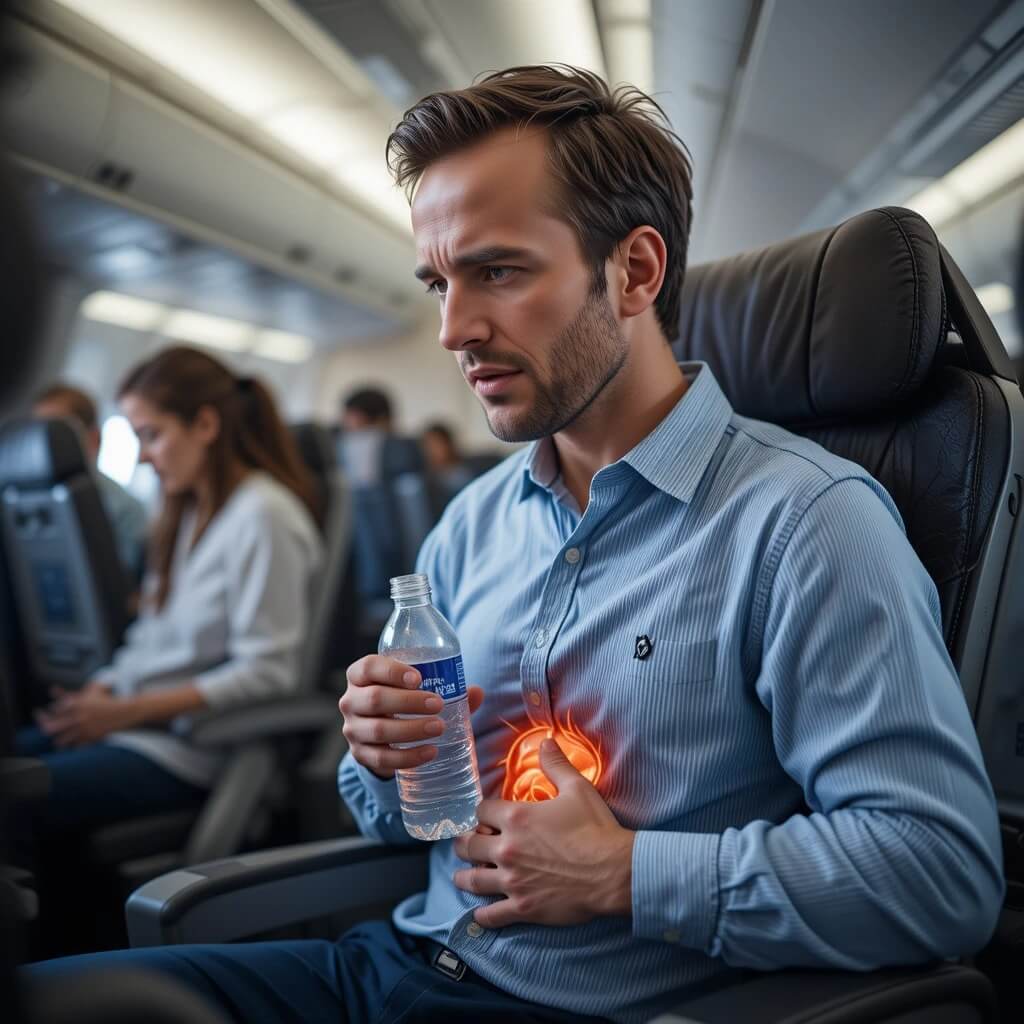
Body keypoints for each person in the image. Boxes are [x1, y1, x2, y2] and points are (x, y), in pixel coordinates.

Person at [24, 66, 1003, 1023]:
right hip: (399, 961)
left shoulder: (804, 522)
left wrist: (627, 874)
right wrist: (382, 757)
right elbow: (405, 819)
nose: (454, 328)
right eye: (438, 281)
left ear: (635, 270)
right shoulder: (473, 522)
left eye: (497, 271)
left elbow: (941, 873)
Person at [15, 346, 322, 955]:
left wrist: (126, 711)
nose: (146, 456)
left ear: (206, 426)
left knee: (16, 793)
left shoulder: (264, 517)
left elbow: (269, 671)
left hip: (192, 747)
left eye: (152, 435)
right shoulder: (184, 512)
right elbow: (149, 639)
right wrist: (104, 688)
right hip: (135, 728)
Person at [33, 382, 148, 580]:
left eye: (56, 436)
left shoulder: (127, 510)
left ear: (93, 439)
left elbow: (118, 585)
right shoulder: (19, 494)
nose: (43, 446)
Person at [421, 421, 474, 498]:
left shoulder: (464, 472)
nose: (432, 451)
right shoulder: (426, 480)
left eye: (437, 445)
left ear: (448, 444)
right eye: (429, 446)